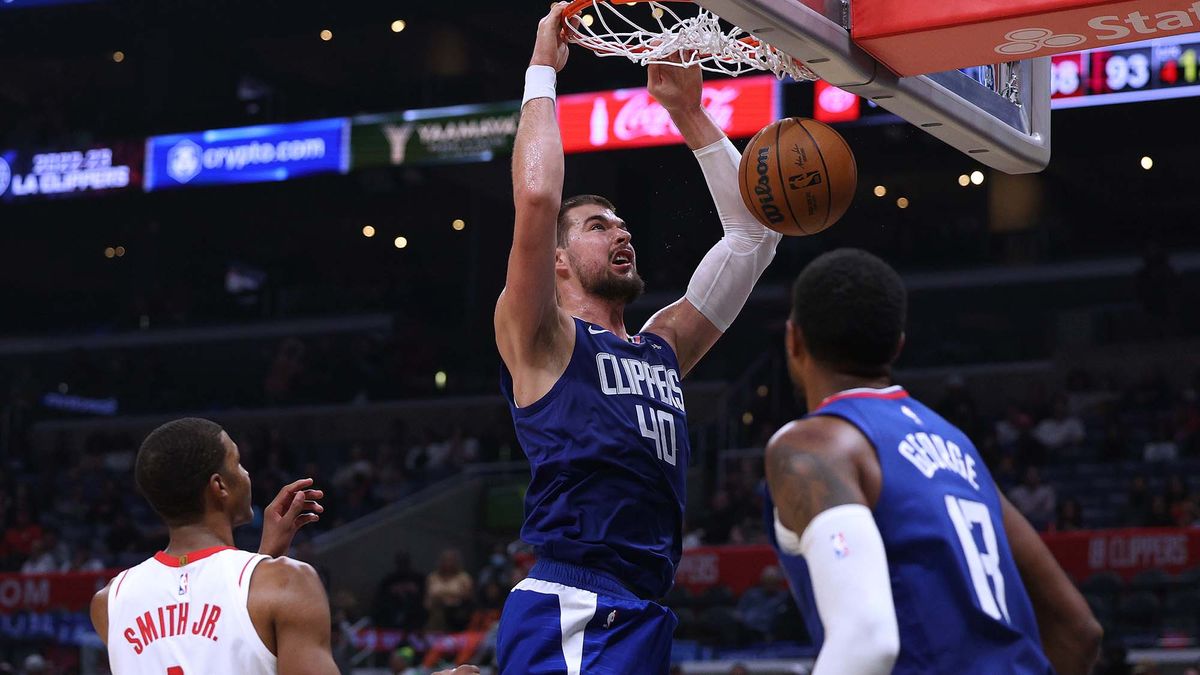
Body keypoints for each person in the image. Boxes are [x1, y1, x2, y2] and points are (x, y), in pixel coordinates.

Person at [494, 4, 783, 672]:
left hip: (644, 608)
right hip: (572, 603)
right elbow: (538, 198)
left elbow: (754, 237)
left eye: (623, 223)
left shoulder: (661, 347)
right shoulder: (540, 336)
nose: (621, 231)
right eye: (598, 225)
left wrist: (687, 112)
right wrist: (543, 65)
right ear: (558, 260)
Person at [763, 250, 1102, 675]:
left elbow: (866, 641)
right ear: (898, 345)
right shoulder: (956, 445)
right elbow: (1079, 630)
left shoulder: (813, 445)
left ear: (793, 340)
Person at [89, 417, 478, 675]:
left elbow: (202, 643)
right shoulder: (287, 583)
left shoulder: (110, 602)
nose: (246, 473)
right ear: (219, 487)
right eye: (237, 463)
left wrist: (262, 559)